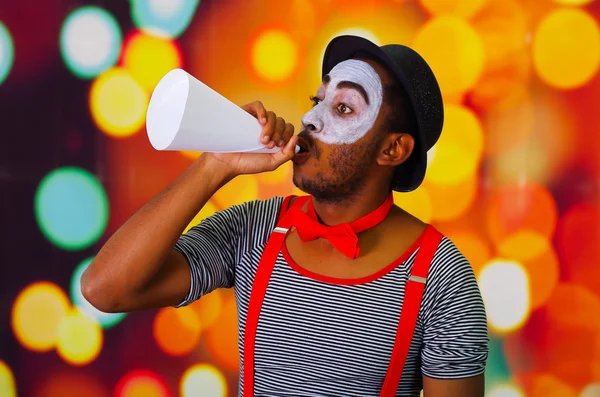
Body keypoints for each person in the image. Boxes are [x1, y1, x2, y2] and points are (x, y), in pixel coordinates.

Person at [82, 35, 488, 396]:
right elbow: (105, 289)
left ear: (393, 150)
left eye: (344, 107)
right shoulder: (255, 229)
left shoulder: (441, 279)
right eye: (318, 100)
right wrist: (215, 165)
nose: (310, 119)